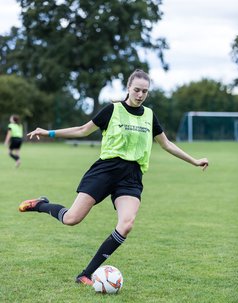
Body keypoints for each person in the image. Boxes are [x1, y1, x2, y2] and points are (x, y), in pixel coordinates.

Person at [18, 69, 209, 286]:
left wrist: (194, 160)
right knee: (72, 219)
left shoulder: (149, 116)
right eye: (137, 90)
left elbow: (166, 144)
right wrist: (49, 133)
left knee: (126, 224)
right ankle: (41, 204)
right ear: (128, 88)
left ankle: (85, 274)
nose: (140, 95)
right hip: (106, 170)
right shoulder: (113, 110)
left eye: (145, 91)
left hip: (132, 177)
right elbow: (82, 130)